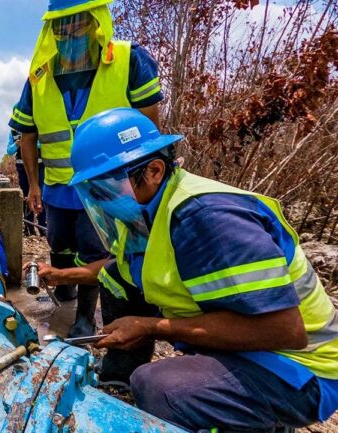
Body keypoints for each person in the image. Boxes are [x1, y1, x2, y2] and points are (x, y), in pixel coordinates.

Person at [35, 107, 338, 432]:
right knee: (117, 282)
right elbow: (117, 269)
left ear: (153, 170)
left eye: (106, 188)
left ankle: (263, 421)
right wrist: (58, 274)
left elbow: (284, 331)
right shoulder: (145, 212)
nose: (100, 199)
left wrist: (152, 327)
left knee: (160, 388)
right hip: (256, 344)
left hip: (299, 368)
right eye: (93, 191)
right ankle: (117, 385)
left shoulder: (208, 218)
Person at [8, 0, 164, 338]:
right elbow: (28, 134)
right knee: (59, 239)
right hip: (59, 184)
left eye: (79, 24)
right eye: (62, 27)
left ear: (96, 22)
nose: (71, 34)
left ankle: (84, 316)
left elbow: (149, 123)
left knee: (95, 248)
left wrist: (141, 181)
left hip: (106, 183)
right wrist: (33, 185)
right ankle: (63, 285)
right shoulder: (40, 75)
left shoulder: (128, 59)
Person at [7, 128, 46, 236]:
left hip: (39, 167)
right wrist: (17, 144)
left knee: (41, 194)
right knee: (25, 196)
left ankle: (43, 226)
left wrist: (28, 142)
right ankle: (29, 229)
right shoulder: (13, 133)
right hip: (22, 168)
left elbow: (42, 145)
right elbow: (9, 151)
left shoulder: (37, 128)